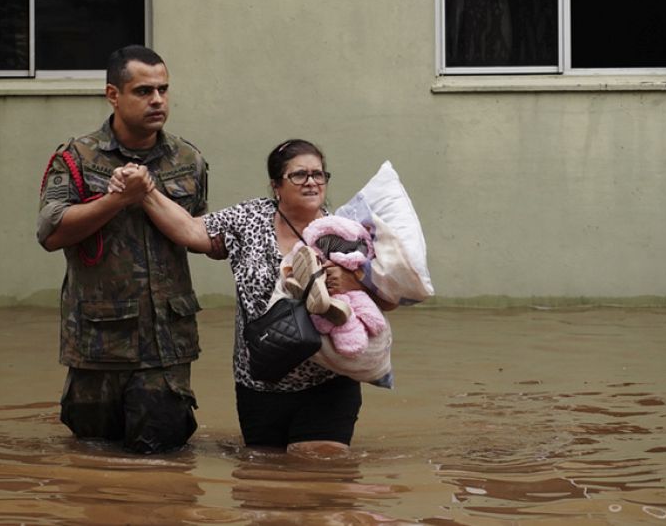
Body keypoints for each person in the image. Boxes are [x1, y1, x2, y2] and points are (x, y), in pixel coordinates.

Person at [113, 139, 397, 455]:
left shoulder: (344, 231)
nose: (312, 182)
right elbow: (192, 232)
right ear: (276, 185)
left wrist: (352, 284)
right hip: (259, 382)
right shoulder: (249, 218)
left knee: (321, 472)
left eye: (318, 174)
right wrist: (146, 192)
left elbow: (391, 297)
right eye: (299, 175)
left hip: (327, 383)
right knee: (265, 484)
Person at [36, 45, 208, 454]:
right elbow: (50, 232)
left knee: (164, 466)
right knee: (91, 463)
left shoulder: (187, 159)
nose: (158, 101)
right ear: (113, 94)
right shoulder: (77, 158)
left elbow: (201, 233)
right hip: (98, 343)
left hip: (166, 346)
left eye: (163, 90)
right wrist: (116, 199)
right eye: (144, 91)